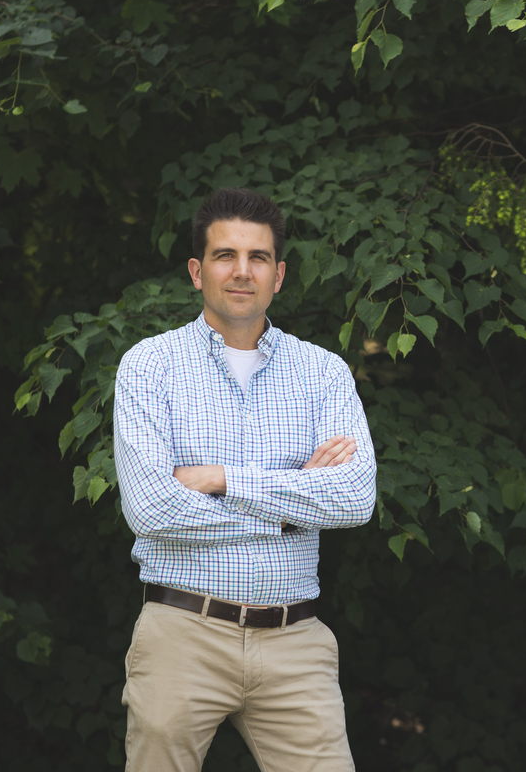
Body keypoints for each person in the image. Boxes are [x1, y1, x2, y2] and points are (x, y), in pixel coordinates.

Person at [114, 187, 376, 771]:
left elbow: (355, 498)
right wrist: (293, 506)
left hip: (295, 642)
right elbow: (152, 509)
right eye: (225, 255)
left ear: (278, 275)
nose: (241, 271)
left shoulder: (323, 373)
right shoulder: (149, 366)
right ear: (196, 271)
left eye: (258, 257)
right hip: (182, 634)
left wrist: (220, 479)